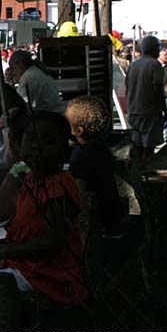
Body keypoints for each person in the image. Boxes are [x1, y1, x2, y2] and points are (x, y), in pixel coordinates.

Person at [0, 112, 89, 308]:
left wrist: (8, 249)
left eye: (48, 142)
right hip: (26, 265)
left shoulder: (57, 186)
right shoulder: (30, 179)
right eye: (31, 139)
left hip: (47, 274)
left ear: (63, 149)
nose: (36, 147)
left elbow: (53, 242)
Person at [65, 96, 124, 237]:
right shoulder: (101, 150)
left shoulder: (82, 154)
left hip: (96, 224)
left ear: (78, 131)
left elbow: (78, 193)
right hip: (111, 219)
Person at [127, 35, 167, 162]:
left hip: (134, 112)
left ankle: (136, 174)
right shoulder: (155, 65)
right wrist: (164, 111)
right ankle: (147, 174)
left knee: (137, 147)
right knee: (149, 149)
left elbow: (127, 87)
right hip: (149, 113)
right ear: (153, 49)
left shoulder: (133, 65)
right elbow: (157, 91)